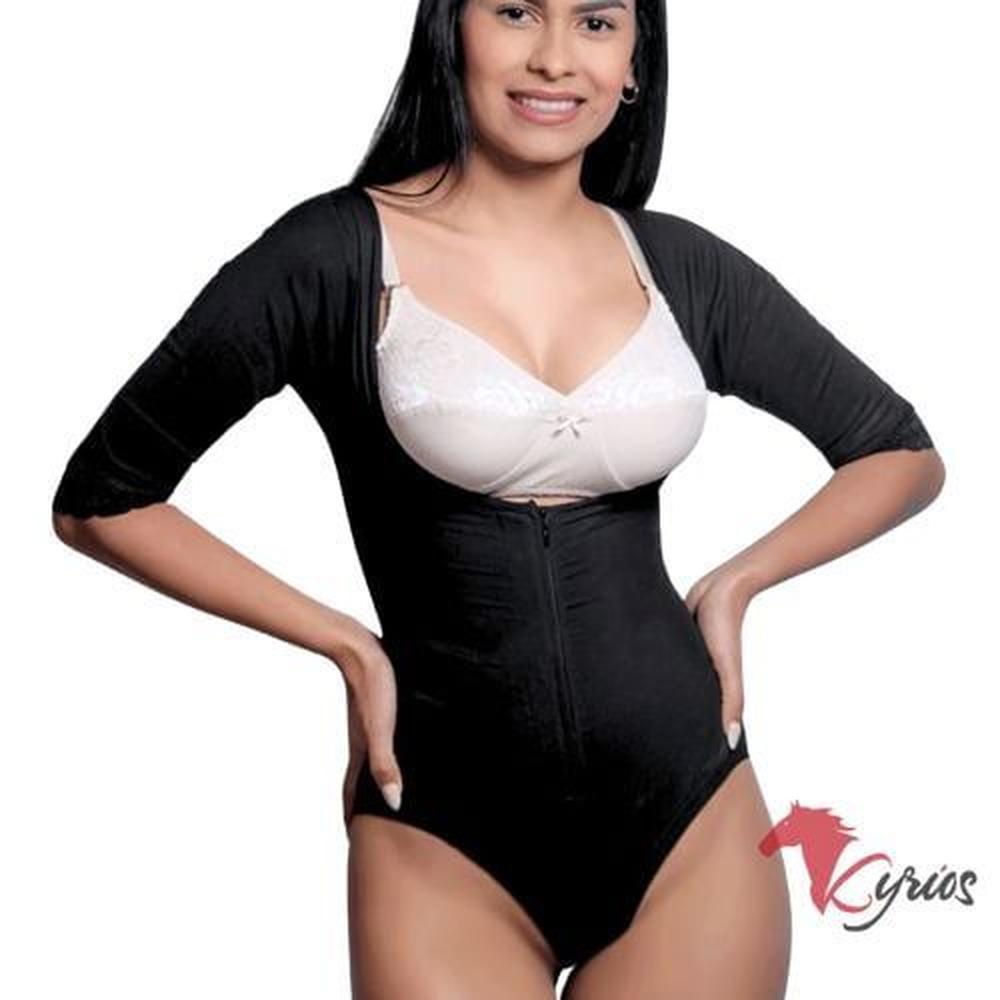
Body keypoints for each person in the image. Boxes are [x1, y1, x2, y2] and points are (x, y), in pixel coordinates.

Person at [51, 1, 945, 997]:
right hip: (441, 834)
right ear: (453, 30)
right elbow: (103, 497)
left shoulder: (678, 266)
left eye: (596, 23)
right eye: (516, 11)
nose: (554, 58)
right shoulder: (332, 256)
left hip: (692, 816)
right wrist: (345, 643)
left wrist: (737, 583)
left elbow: (898, 451)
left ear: (635, 62)